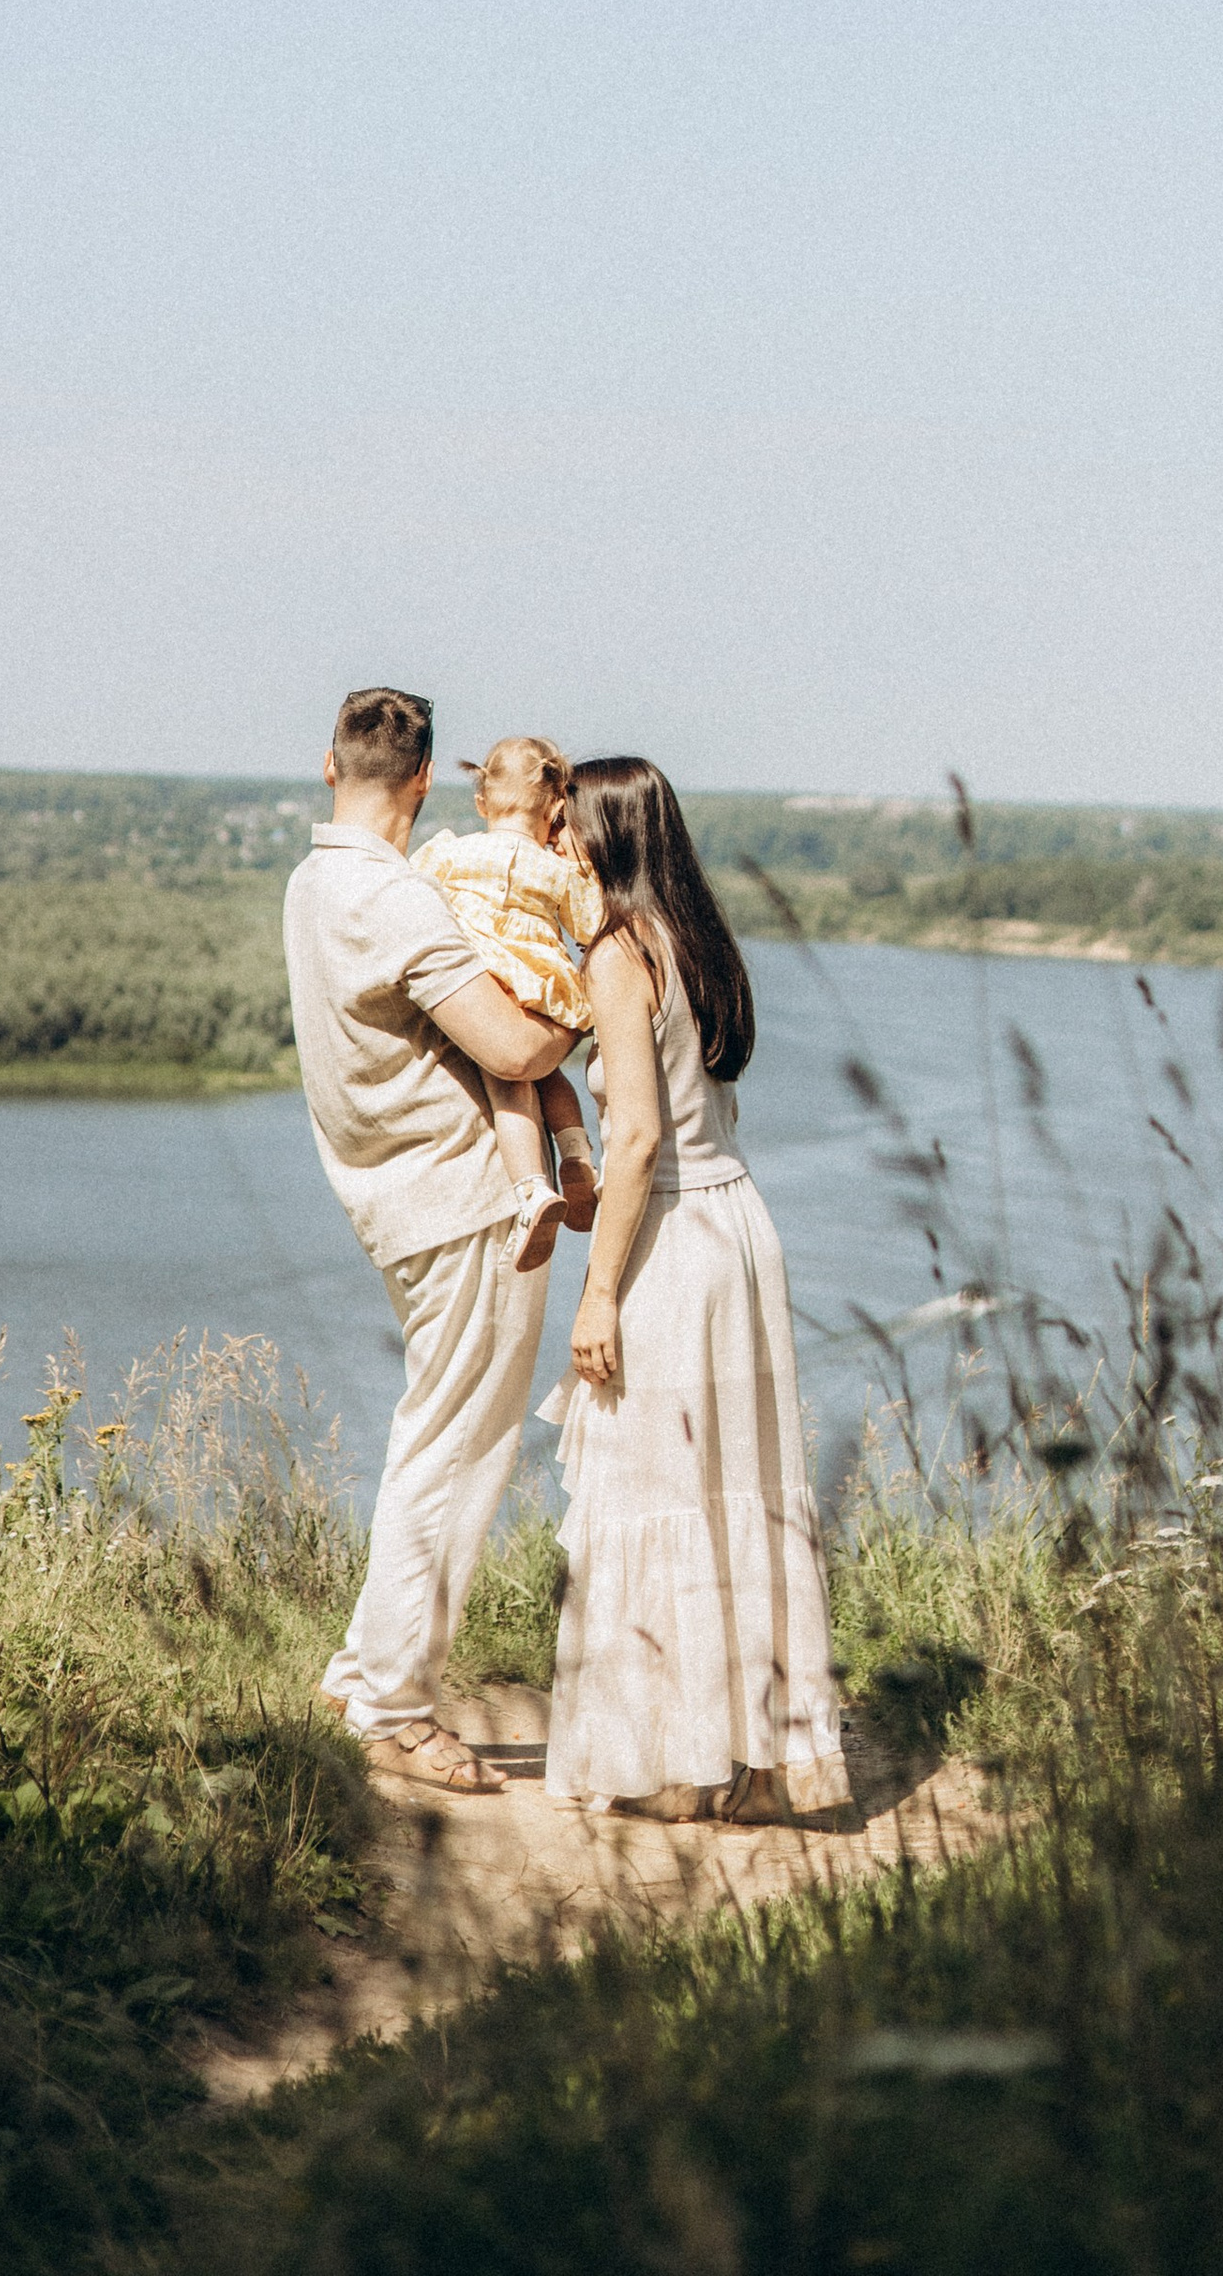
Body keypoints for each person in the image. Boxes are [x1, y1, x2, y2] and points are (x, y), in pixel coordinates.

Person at [284, 684, 581, 1795]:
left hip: (387, 1196)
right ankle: (398, 1712)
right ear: (422, 783)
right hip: (463, 1204)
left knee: (433, 1433)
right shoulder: (396, 900)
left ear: (330, 767)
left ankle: (364, 1667)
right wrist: (587, 1006)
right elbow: (510, 1046)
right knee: (457, 1453)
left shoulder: (311, 882)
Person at [544, 755, 851, 1823]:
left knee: (654, 1490)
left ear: (601, 837)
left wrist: (596, 1294)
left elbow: (632, 1142)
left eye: (563, 828)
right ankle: (762, 1764)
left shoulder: (619, 956)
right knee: (741, 1491)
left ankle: (674, 1768)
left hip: (675, 1237)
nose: (554, 846)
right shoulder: (698, 941)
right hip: (742, 1227)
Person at [414, 734, 604, 1268]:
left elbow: (414, 894)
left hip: (489, 986)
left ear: (481, 803)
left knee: (507, 1080)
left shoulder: (452, 852)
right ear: (557, 807)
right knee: (548, 1075)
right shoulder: (560, 871)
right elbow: (589, 925)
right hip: (542, 987)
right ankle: (577, 1156)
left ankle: (531, 1190)